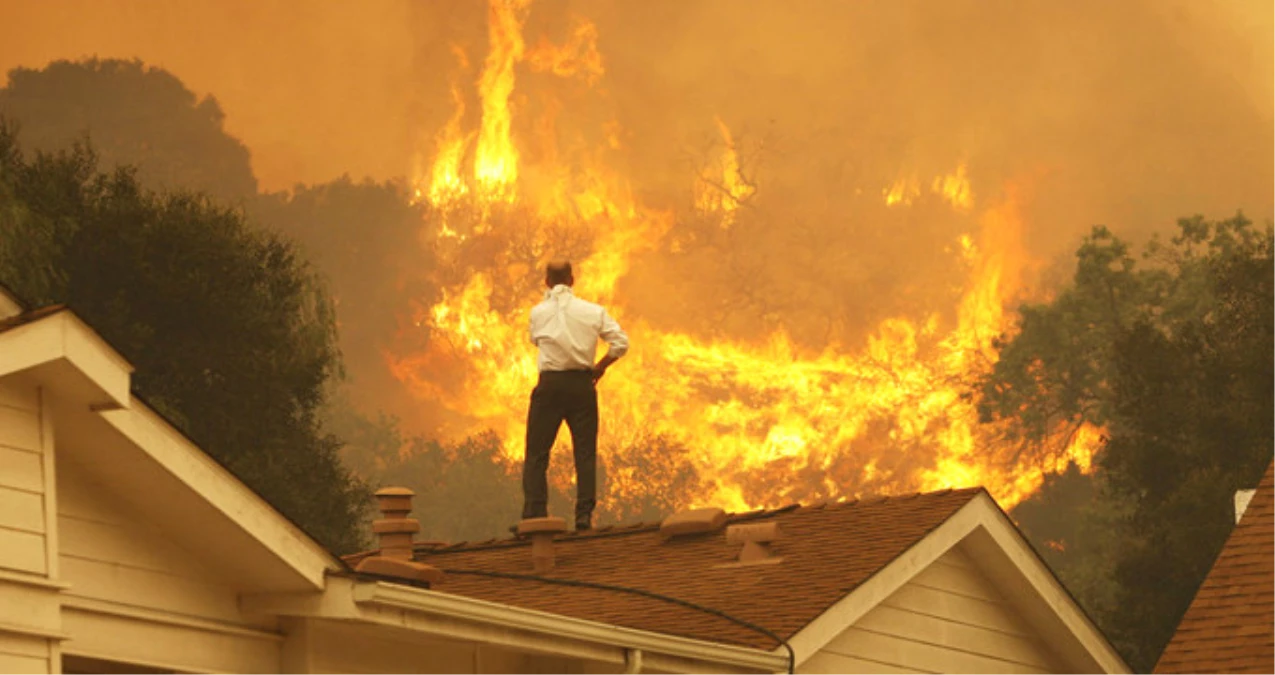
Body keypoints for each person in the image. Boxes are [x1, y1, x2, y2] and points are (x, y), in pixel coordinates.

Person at [522, 260, 628, 531]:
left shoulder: (537, 313)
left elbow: (536, 340)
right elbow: (620, 343)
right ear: (572, 279)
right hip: (582, 385)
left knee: (537, 453)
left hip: (550, 385)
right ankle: (584, 516)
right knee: (585, 454)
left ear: (547, 281)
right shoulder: (593, 311)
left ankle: (535, 515)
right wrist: (600, 368)